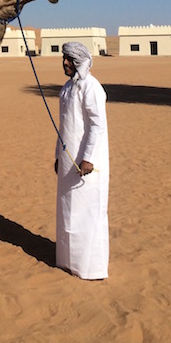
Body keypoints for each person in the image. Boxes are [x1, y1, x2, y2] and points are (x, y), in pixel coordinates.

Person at [54, 41, 109, 279]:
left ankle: (90, 267)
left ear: (79, 62)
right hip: (68, 160)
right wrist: (58, 156)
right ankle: (67, 261)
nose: (65, 63)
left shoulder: (91, 87)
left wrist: (87, 158)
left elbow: (97, 125)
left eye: (69, 59)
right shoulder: (67, 88)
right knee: (68, 211)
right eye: (64, 58)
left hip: (87, 162)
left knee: (87, 212)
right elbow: (64, 127)